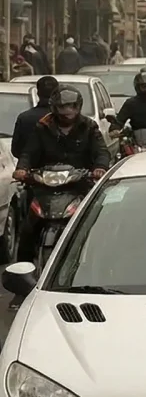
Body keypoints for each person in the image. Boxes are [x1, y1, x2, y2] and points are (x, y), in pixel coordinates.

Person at [13, 85, 110, 264]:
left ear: (78, 106)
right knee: (28, 228)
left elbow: (101, 151)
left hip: (79, 185)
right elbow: (29, 152)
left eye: (71, 106)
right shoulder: (43, 126)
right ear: (54, 107)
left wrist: (100, 167)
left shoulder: (89, 126)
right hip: (45, 187)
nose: (67, 111)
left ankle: (99, 262)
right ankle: (21, 272)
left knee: (96, 224)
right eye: (62, 107)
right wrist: (22, 168)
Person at [12, 76, 59, 158]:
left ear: (38, 93)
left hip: (30, 167)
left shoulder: (24, 118)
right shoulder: (67, 117)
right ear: (58, 93)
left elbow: (16, 150)